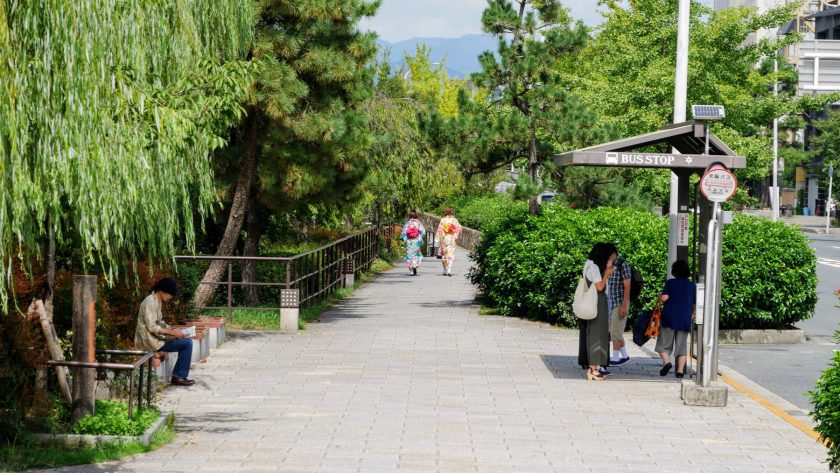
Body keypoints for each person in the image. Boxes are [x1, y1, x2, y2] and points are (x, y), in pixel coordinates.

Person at [134, 277, 195, 386]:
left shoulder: (157, 301)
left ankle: (179, 376)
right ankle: (179, 376)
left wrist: (173, 330)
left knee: (185, 341)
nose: (170, 297)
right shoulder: (150, 302)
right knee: (187, 344)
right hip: (150, 341)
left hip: (156, 339)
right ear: (162, 291)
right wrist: (172, 333)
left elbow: (160, 322)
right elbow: (152, 327)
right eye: (169, 294)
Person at [581, 243, 617, 381]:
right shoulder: (593, 267)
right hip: (597, 302)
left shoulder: (591, 265)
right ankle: (592, 368)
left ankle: (594, 367)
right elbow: (600, 287)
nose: (610, 261)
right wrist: (607, 274)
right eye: (608, 258)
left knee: (600, 332)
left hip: (598, 301)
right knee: (597, 333)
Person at [656, 260, 696, 378]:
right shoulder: (691, 285)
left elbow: (664, 298)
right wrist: (692, 314)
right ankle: (679, 371)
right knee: (681, 346)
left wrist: (659, 295)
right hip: (684, 319)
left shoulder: (670, 283)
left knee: (663, 345)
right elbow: (695, 305)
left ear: (674, 271)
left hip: (669, 318)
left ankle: (667, 363)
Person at [608, 253, 632, 366]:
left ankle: (616, 358)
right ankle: (625, 355)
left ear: (613, 253)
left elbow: (628, 285)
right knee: (616, 329)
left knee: (615, 330)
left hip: (620, 302)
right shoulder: (611, 264)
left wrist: (624, 304)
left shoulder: (623, 264)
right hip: (612, 302)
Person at [435, 208, 462, 276]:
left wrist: (437, 239)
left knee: (444, 254)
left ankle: (445, 270)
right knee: (450, 254)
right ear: (452, 213)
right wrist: (456, 235)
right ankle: (449, 269)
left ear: (445, 212)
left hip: (444, 239)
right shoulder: (454, 220)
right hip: (451, 238)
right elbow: (459, 228)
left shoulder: (443, 220)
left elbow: (440, 229)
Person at [401, 210, 426, 276]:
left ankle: (411, 270)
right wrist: (419, 237)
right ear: (416, 216)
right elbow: (423, 232)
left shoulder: (407, 223)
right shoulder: (419, 223)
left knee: (409, 255)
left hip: (409, 241)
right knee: (416, 254)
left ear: (410, 216)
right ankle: (415, 264)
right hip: (416, 241)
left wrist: (405, 240)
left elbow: (403, 233)